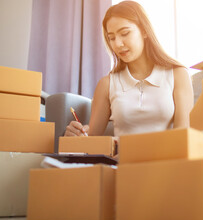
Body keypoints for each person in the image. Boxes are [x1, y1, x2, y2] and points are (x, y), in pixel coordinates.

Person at [65, 0, 193, 137]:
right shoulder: (107, 84)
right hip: (120, 158)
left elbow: (183, 136)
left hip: (167, 157)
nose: (118, 44)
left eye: (125, 33)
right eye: (111, 38)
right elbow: (91, 140)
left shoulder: (178, 75)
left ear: (144, 31)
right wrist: (78, 135)